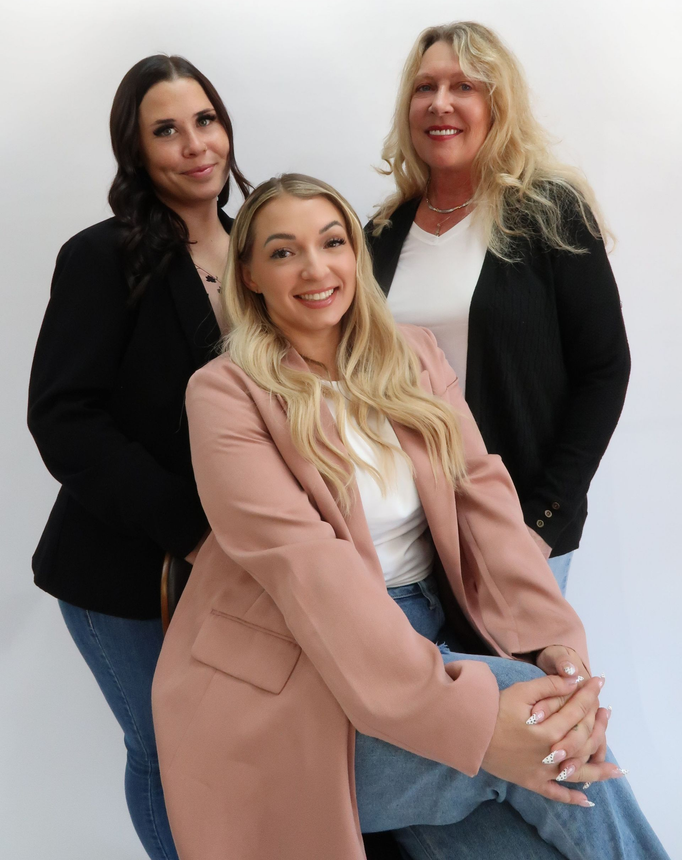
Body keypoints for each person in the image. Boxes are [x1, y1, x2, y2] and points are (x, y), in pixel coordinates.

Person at [151, 174, 668, 860]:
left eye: (332, 242)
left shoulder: (413, 356)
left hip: (424, 641)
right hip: (291, 693)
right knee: (528, 711)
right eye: (283, 252)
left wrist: (555, 643)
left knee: (528, 813)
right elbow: (309, 570)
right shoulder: (223, 393)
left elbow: (483, 501)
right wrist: (475, 719)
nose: (315, 268)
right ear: (248, 275)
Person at [27, 55, 251, 860]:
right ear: (135, 148)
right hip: (127, 569)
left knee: (236, 749)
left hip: (247, 564)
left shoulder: (265, 249)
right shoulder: (103, 256)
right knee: (168, 750)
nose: (195, 145)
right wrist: (190, 531)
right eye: (166, 129)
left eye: (206, 120)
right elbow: (63, 417)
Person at [366, 22, 631, 595]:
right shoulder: (381, 234)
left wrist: (544, 519)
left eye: (464, 86)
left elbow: (604, 371)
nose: (441, 104)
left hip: (515, 528)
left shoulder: (549, 214)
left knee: (528, 683)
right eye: (424, 87)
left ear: (497, 105)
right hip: (407, 535)